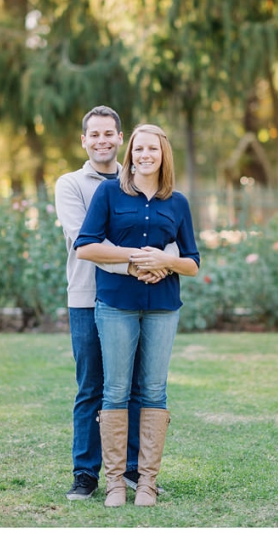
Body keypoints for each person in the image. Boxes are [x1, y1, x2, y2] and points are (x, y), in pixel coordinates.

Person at [74, 124, 200, 507]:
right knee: (114, 389)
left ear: (164, 155)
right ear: (130, 154)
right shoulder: (109, 193)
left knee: (153, 391)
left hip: (163, 306)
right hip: (115, 305)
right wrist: (135, 258)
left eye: (153, 149)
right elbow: (85, 246)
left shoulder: (177, 202)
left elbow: (192, 262)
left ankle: (146, 482)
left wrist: (167, 260)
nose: (145, 155)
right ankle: (114, 483)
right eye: (139, 148)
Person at [55, 107, 175, 501]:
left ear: (121, 139)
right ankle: (86, 473)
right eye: (95, 135)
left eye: (110, 134)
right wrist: (143, 263)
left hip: (136, 299)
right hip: (88, 297)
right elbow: (83, 242)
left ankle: (134, 472)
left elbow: (169, 234)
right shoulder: (71, 184)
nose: (102, 140)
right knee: (92, 387)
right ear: (84, 141)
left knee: (137, 387)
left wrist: (161, 263)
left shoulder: (144, 184)